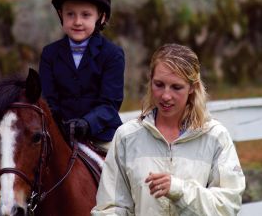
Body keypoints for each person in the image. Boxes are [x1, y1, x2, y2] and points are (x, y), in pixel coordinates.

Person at [91, 43, 245, 215]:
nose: (165, 95)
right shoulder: (126, 137)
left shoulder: (216, 137)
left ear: (192, 88)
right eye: (159, 84)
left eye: (176, 87)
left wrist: (179, 190)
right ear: (150, 82)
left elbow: (227, 206)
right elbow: (110, 208)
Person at [39, 0, 125, 152]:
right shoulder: (49, 54)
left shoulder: (112, 55)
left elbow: (109, 104)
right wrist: (61, 125)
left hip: (101, 135)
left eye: (85, 15)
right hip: (59, 133)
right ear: (61, 14)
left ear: (101, 17)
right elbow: (48, 100)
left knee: (124, 170)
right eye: (70, 14)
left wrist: (86, 123)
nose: (77, 21)